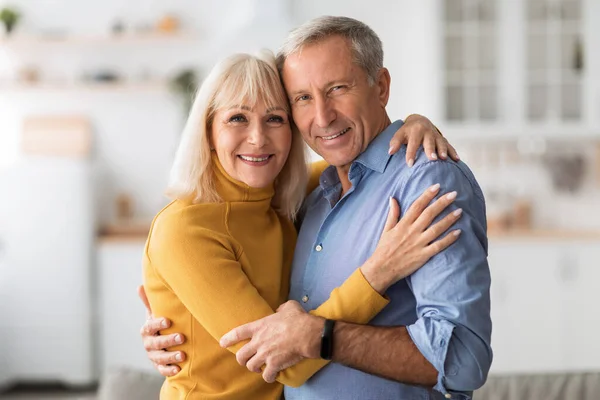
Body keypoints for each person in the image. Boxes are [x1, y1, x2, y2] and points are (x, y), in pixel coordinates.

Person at [141, 47, 462, 399]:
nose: (258, 138)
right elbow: (283, 362)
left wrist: (412, 125)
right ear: (208, 131)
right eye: (237, 118)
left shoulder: (283, 195)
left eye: (275, 119)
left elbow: (360, 158)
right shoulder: (185, 229)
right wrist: (379, 272)